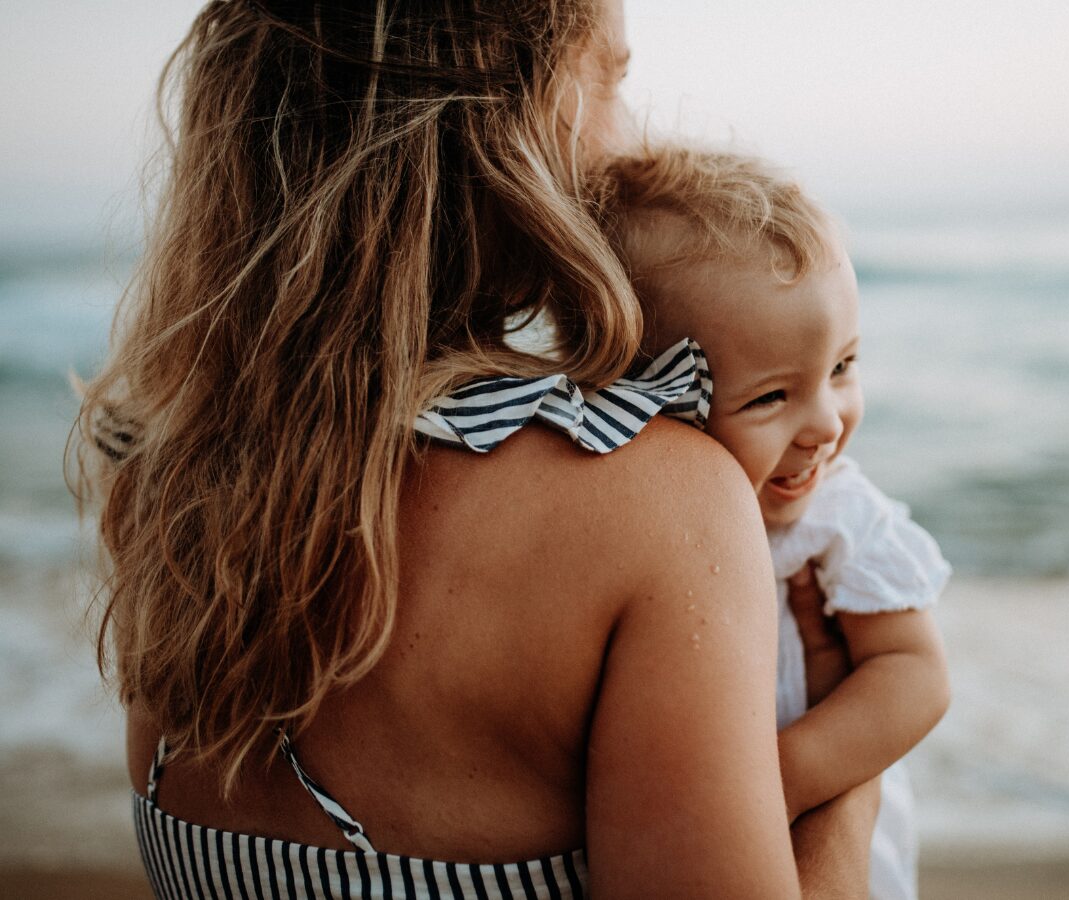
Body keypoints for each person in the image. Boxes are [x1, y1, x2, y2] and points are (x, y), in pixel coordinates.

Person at [72, 2, 878, 898]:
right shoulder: (657, 507)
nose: (631, 138)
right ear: (502, 121)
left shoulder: (165, 478)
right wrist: (854, 771)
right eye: (610, 78)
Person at [593, 145, 953, 898]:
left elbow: (915, 676)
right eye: (769, 398)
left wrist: (785, 778)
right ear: (647, 400)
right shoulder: (623, 528)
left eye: (844, 368)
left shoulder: (838, 515)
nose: (827, 422)